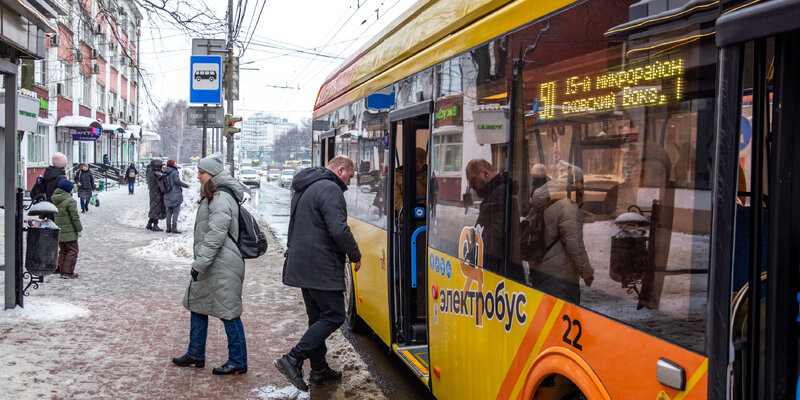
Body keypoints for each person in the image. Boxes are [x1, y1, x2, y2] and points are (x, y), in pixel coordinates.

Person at [275, 155, 362, 392]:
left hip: (303, 264)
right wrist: (355, 254)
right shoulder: (330, 188)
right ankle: (293, 359)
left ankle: (320, 369)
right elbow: (339, 229)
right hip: (320, 266)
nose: (349, 183)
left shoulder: (307, 185)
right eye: (350, 177)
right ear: (341, 170)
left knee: (317, 318)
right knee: (334, 316)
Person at [172, 153, 248, 375]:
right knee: (197, 305)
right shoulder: (213, 194)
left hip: (223, 265)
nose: (198, 177)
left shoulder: (221, 198)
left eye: (201, 173)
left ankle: (238, 361)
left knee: (228, 312)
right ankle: (195, 353)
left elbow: (216, 234)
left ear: (213, 174)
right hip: (215, 263)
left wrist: (200, 263)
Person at [528, 165, 594, 304]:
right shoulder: (567, 205)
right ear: (572, 182)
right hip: (560, 277)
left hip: (540, 270)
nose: (582, 186)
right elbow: (574, 244)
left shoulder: (543, 200)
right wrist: (587, 272)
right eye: (580, 181)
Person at [464, 158, 523, 281]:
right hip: (495, 268)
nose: (471, 186)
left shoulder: (500, 192)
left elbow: (496, 236)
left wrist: (477, 253)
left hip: (500, 271)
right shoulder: (493, 194)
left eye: (473, 180)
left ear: (485, 174)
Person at [52, 179, 82, 279]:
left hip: (59, 230)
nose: (73, 190)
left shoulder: (55, 200)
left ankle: (62, 270)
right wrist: (79, 229)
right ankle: (67, 272)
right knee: (73, 250)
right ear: (67, 190)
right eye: (72, 188)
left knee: (63, 250)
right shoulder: (70, 201)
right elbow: (75, 217)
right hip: (69, 231)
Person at [394, 148, 428, 214]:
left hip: (426, 213)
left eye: (421, 162)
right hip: (407, 215)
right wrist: (408, 210)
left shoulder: (427, 175)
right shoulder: (398, 176)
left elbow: (435, 195)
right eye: (416, 161)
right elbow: (397, 200)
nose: (418, 165)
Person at [163, 159, 190, 234]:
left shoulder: (164, 172)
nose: (175, 164)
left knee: (168, 212)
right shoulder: (174, 172)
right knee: (175, 212)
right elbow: (177, 181)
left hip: (167, 194)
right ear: (172, 164)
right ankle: (174, 228)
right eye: (174, 163)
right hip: (175, 194)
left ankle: (168, 228)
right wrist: (186, 185)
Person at [145, 159, 166, 231]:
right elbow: (162, 186)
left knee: (153, 208)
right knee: (157, 208)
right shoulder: (157, 174)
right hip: (157, 193)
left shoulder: (151, 172)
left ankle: (149, 223)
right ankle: (155, 225)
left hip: (153, 192)